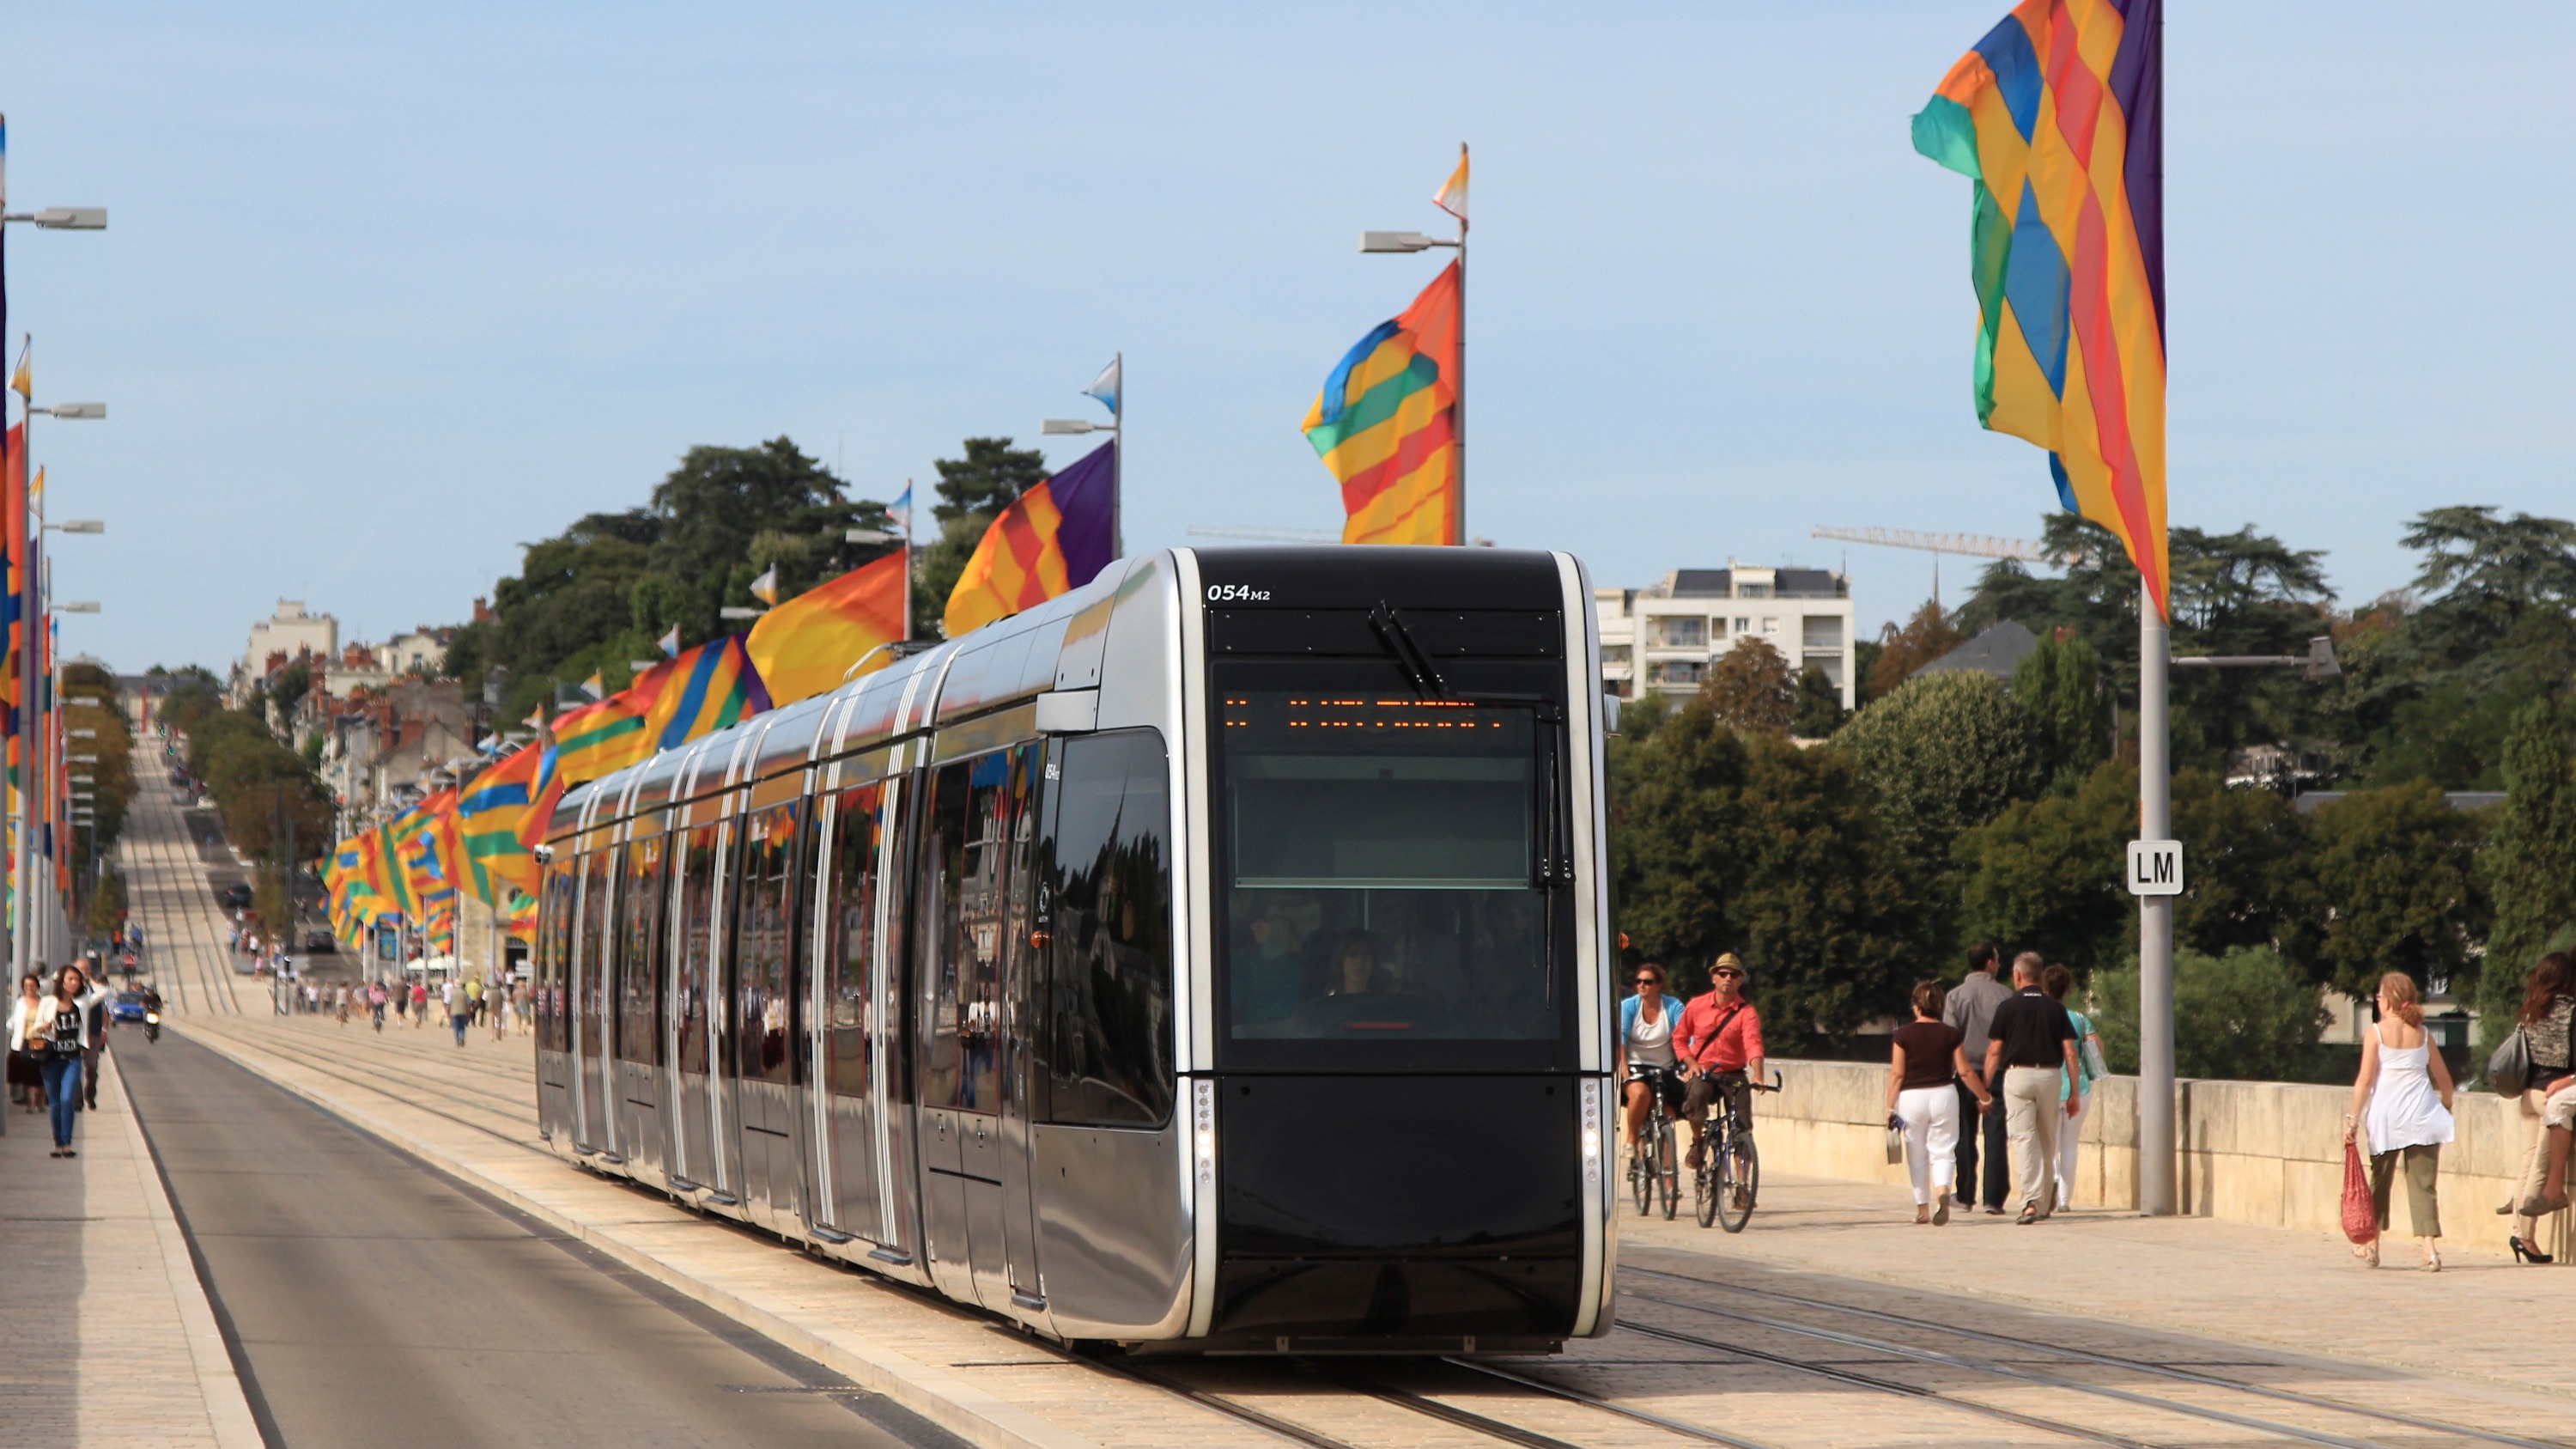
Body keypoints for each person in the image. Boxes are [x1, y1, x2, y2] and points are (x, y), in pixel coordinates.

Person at [2348, 971, 2454, 1270]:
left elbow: (2365, 1080)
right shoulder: (2423, 1034)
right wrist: (2446, 1107)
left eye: (2379, 996)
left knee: (2380, 1182)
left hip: (2387, 1117)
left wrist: (2352, 1118)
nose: (2377, 1001)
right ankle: (2429, 1251)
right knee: (2423, 1185)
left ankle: (2372, 1245)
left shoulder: (2377, 1032)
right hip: (2422, 1115)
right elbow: (2445, 1081)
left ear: (2389, 1000)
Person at [1981, 953, 2081, 1225]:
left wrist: (1984, 1089)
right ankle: (2045, 1200)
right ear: (2039, 975)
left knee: (2024, 1139)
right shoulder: (2056, 1009)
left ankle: (2030, 1202)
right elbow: (2070, 1053)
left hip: (2018, 1075)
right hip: (2049, 1076)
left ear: (2017, 975)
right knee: (2048, 1140)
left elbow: (1993, 1053)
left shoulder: (2007, 1007)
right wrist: (2073, 1091)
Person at [1886, 980, 1990, 1225]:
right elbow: (1964, 1071)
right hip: (1944, 1094)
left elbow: (1897, 1074)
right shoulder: (1950, 1034)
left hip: (1912, 1098)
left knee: (1917, 1153)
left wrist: (1890, 1107)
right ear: (1940, 1007)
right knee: (1943, 1151)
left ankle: (1923, 1209)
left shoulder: (1902, 1035)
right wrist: (1984, 1096)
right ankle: (1943, 1190)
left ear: (1916, 1007)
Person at [2505, 953, 2573, 1263]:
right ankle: (2524, 1235)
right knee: (2541, 1168)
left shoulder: (2529, 1012)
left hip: (2528, 1094)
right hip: (2551, 1095)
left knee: (2526, 1163)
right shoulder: (2570, 1012)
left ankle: (2522, 1232)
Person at [1674, 953, 1765, 1180]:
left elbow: (1753, 1043)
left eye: (1733, 975)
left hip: (1733, 1072)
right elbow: (1679, 1039)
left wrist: (1758, 1074)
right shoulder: (1697, 1006)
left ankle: (1742, 1184)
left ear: (1740, 980)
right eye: (1722, 974)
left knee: (1742, 1127)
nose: (1728, 979)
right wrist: (1691, 1063)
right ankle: (1698, 1142)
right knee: (1696, 1095)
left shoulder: (1746, 1012)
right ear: (1713, 977)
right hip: (1704, 1070)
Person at [1941, 942, 2013, 1214]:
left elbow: (1951, 1037)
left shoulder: (1956, 997)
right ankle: (1993, 1198)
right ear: (1990, 963)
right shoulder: (2005, 995)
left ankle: (1966, 1193)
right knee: (1996, 1135)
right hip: (1997, 1071)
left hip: (1964, 1072)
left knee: (1964, 1134)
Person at [28, 966, 108, 1157]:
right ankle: (58, 1143)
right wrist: (44, 1026)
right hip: (51, 1059)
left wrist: (88, 978)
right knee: (55, 1103)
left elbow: (105, 991)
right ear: (61, 981)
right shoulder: (48, 1002)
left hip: (72, 1059)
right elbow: (37, 1026)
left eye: (77, 980)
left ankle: (67, 1144)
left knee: (67, 1100)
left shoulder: (82, 1002)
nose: (75, 983)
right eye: (70, 979)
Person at [2041, 964, 2103, 1209]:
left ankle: (2052, 1183)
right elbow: (2098, 1048)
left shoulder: (2043, 1017)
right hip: (2079, 1087)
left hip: (2049, 1085)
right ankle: (2065, 1200)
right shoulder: (2079, 1019)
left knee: (2049, 1144)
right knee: (2069, 1146)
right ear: (2068, 989)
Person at [1618, 963, 1686, 1151]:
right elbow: (1620, 1037)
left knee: (1668, 1115)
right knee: (1641, 1094)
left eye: (1648, 982)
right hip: (1635, 1068)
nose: (1642, 985)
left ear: (1659, 985)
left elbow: (1684, 1035)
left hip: (1664, 1070)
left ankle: (1668, 1175)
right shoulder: (1629, 1006)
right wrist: (1623, 1065)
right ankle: (1632, 1138)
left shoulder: (1673, 1006)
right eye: (1638, 981)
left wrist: (1690, 1062)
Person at [7, 972, 47, 1112]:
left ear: (37, 986)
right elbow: (14, 1020)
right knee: (25, 1074)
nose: (29, 988)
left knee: (39, 1075)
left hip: (38, 1042)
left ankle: (40, 1102)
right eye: (26, 985)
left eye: (32, 985)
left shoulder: (44, 1003)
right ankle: (30, 1104)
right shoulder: (20, 1002)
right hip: (21, 1043)